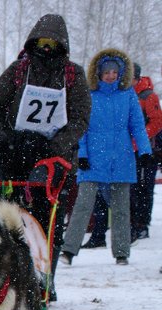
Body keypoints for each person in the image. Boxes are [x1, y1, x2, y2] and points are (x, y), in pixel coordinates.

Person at [0, 14, 91, 282]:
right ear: (32, 42)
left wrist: (56, 144)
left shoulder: (73, 75)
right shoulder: (19, 69)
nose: (45, 49)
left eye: (52, 44)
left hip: (55, 159)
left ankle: (45, 279)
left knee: (49, 220)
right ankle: (9, 277)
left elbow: (81, 117)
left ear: (62, 46)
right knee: (10, 219)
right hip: (16, 154)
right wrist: (2, 137)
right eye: (41, 42)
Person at [60, 49, 152, 266]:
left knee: (121, 208)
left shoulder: (128, 94)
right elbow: (82, 127)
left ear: (121, 73)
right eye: (106, 71)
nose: (111, 75)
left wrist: (145, 151)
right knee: (83, 205)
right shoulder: (89, 95)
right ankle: (68, 250)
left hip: (121, 158)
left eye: (114, 71)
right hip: (92, 159)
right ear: (98, 73)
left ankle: (121, 252)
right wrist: (81, 154)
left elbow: (137, 125)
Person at [131, 64, 162, 240]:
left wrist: (138, 139)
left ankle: (142, 224)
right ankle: (134, 222)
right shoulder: (128, 94)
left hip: (146, 151)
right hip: (130, 150)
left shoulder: (148, 96)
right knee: (133, 188)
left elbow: (157, 123)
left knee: (144, 188)